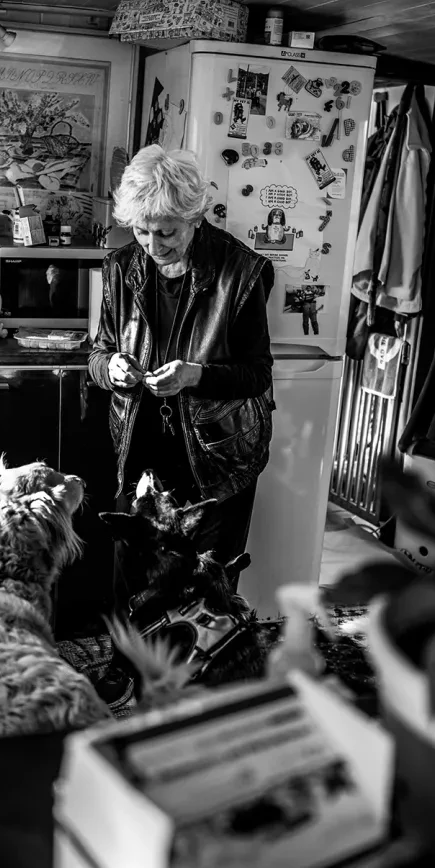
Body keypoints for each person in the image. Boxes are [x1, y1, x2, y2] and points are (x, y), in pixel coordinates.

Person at [88, 144, 276, 614]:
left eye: (166, 232)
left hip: (215, 460)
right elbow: (98, 351)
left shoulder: (243, 272)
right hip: (141, 451)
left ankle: (203, 677)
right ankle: (130, 670)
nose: (152, 246)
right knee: (132, 581)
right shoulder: (119, 267)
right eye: (141, 231)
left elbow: (256, 375)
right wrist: (110, 369)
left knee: (208, 587)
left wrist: (195, 376)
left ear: (195, 217)